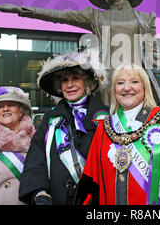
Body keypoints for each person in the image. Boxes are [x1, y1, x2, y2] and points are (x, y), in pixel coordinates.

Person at [0, 0, 160, 106]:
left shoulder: (146, 18)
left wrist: (159, 59)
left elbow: (151, 56)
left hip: (138, 83)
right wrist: (22, 11)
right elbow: (58, 15)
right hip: (108, 85)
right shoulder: (95, 16)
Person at [76, 64, 160, 205]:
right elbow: (90, 181)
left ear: (145, 87)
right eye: (120, 83)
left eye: (134, 81)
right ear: (114, 90)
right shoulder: (103, 128)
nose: (127, 88)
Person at [19, 51, 109, 205]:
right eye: (64, 80)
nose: (69, 85)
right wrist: (39, 191)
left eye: (75, 78)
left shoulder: (106, 116)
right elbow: (36, 157)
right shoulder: (50, 119)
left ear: (87, 82)